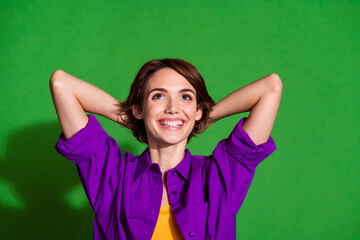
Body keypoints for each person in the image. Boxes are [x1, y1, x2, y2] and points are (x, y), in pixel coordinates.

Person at [49, 58, 282, 240]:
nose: (173, 108)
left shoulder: (219, 176)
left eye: (186, 98)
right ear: (139, 108)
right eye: (158, 96)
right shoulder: (112, 175)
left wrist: (199, 119)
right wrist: (131, 117)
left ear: (198, 109)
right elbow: (62, 84)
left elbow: (271, 87)